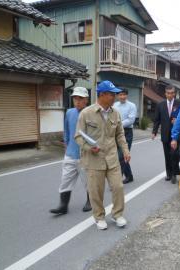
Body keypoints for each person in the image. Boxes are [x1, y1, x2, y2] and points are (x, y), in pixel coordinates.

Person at [75, 80, 130, 230]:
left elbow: (120, 134)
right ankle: (99, 217)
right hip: (94, 159)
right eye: (112, 94)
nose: (115, 97)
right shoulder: (86, 113)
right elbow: (78, 137)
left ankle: (117, 214)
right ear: (102, 95)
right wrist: (88, 147)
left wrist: (125, 150)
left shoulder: (115, 113)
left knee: (118, 186)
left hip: (112, 157)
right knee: (96, 191)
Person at [50, 87, 91, 215]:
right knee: (65, 179)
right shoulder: (69, 112)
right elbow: (67, 131)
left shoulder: (92, 113)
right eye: (75, 98)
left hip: (86, 154)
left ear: (86, 100)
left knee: (88, 181)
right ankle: (63, 205)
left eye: (80, 98)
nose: (77, 101)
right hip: (71, 153)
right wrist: (66, 145)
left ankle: (90, 201)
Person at [152, 85, 180, 184]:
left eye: (172, 93)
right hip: (165, 133)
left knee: (174, 154)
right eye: (168, 93)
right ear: (165, 93)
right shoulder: (160, 104)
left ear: (174, 93)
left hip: (176, 134)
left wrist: (178, 121)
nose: (170, 95)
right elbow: (157, 120)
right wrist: (154, 132)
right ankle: (169, 173)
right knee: (167, 154)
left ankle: (174, 174)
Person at [114, 89, 137, 184]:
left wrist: (118, 125)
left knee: (122, 155)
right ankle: (129, 176)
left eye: (124, 95)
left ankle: (117, 181)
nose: (122, 97)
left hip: (127, 132)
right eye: (120, 95)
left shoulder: (132, 106)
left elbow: (131, 120)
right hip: (115, 132)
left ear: (127, 95)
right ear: (117, 96)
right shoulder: (114, 105)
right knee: (120, 156)